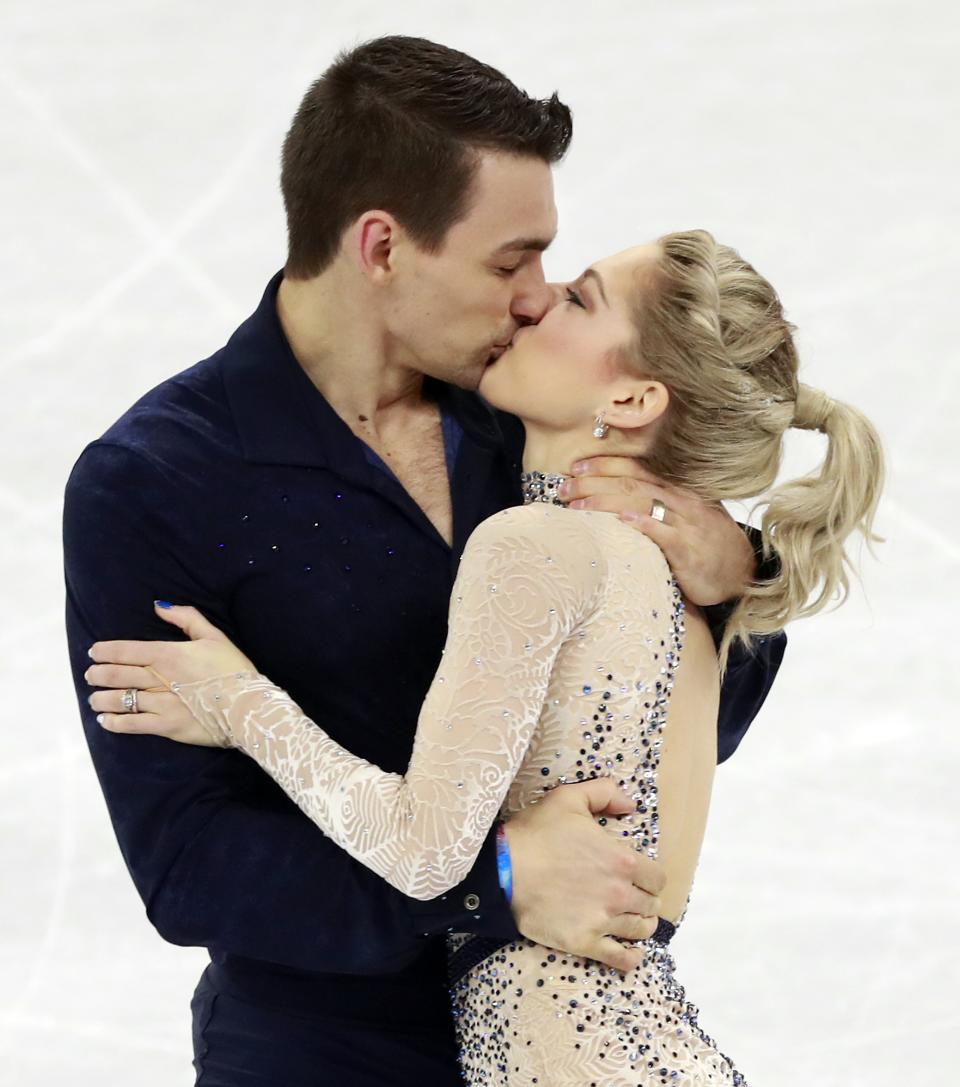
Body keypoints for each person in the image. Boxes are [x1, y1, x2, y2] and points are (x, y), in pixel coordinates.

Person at [65, 37, 784, 1087]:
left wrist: (734, 578)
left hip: (566, 1039)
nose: (537, 297)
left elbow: (668, 730)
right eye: (509, 261)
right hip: (323, 1056)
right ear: (382, 247)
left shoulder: (530, 421)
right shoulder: (159, 479)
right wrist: (489, 882)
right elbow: (188, 865)